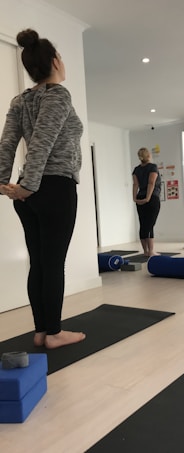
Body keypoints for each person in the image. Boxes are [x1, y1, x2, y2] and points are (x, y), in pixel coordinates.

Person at [0, 29, 86, 349]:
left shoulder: (19, 101)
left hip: (29, 191)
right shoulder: (58, 94)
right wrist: (30, 186)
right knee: (52, 264)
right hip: (54, 188)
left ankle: (40, 330)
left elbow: (7, 145)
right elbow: (42, 143)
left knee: (39, 262)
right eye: (61, 57)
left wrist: (6, 182)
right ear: (54, 61)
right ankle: (54, 333)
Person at [132, 147, 161, 256]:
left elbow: (135, 185)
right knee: (149, 224)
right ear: (148, 156)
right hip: (152, 198)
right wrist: (148, 198)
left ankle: (146, 251)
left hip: (140, 197)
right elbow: (151, 183)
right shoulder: (152, 167)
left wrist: (134, 198)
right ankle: (151, 251)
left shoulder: (136, 169)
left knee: (143, 224)